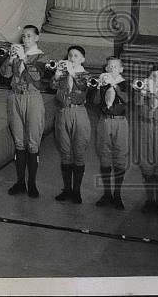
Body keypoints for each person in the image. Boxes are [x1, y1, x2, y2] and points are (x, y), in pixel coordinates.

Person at [0, 24, 45, 198]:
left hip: (32, 98)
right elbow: (5, 75)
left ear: (37, 38)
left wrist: (24, 58)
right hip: (14, 97)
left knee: (32, 143)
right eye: (24, 36)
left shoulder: (42, 56)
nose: (26, 39)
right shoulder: (17, 56)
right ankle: (20, 182)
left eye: (29, 36)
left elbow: (37, 77)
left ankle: (32, 183)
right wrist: (10, 59)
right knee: (19, 142)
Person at [49, 45, 92, 204]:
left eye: (75, 56)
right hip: (62, 112)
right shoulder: (64, 73)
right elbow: (52, 87)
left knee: (78, 152)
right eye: (69, 55)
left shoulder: (87, 75)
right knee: (65, 151)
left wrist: (72, 73)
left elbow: (83, 86)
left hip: (78, 113)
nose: (71, 58)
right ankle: (67, 189)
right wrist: (56, 75)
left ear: (82, 59)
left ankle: (77, 191)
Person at [134, 63, 158, 215]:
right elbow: (137, 103)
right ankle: (150, 200)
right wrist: (142, 92)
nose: (155, 78)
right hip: (144, 129)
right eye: (153, 76)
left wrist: (154, 91)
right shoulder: (144, 90)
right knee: (147, 167)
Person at [91, 55, 130, 209]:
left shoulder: (125, 84)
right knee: (104, 156)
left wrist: (115, 86)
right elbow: (94, 102)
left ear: (121, 69)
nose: (112, 69)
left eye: (115, 66)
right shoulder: (103, 83)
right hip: (104, 121)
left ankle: (117, 195)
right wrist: (99, 87)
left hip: (120, 122)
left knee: (120, 157)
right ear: (106, 69)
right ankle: (107, 194)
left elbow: (127, 100)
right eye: (110, 66)